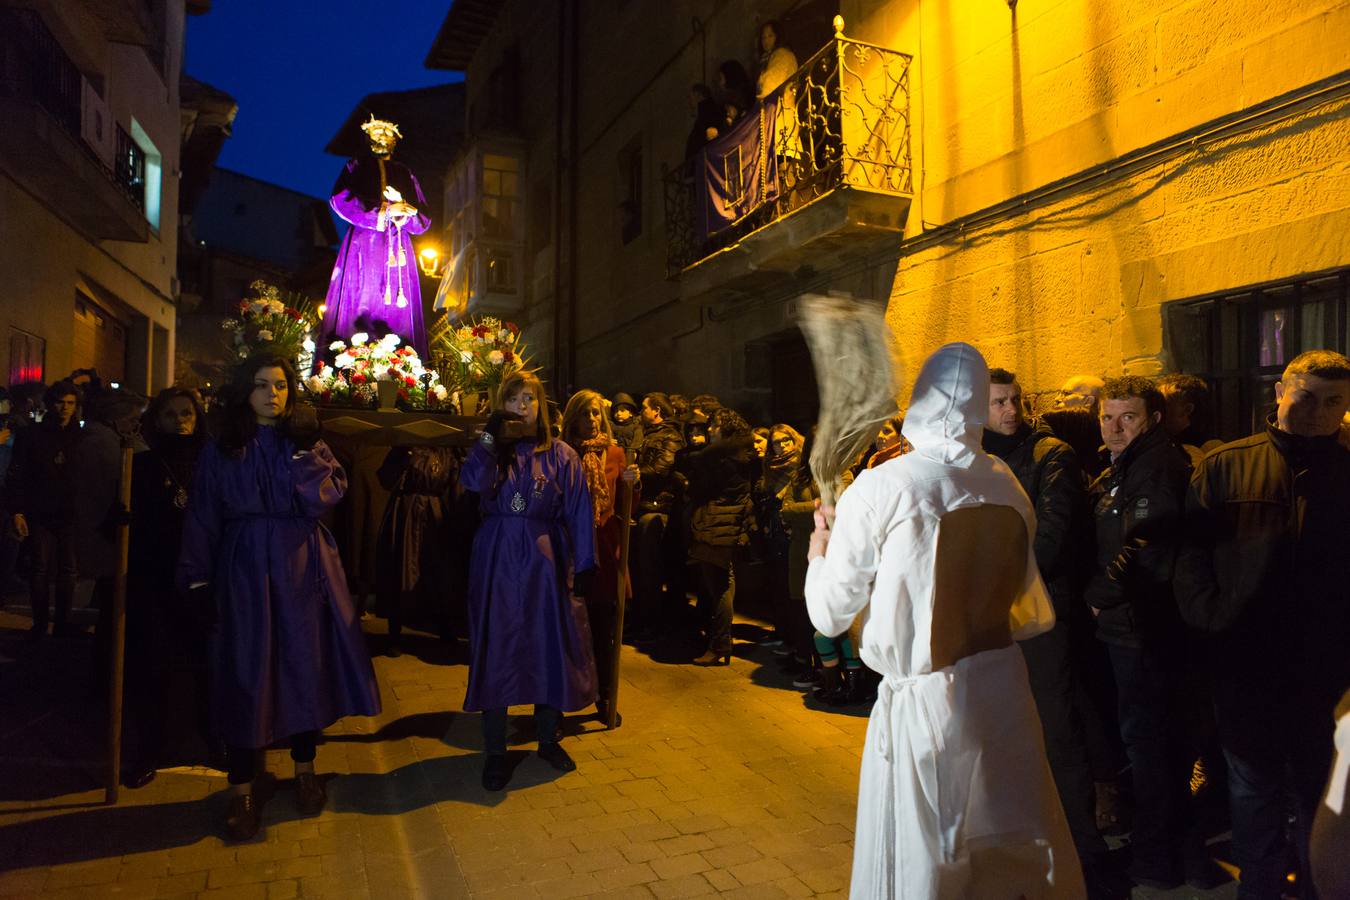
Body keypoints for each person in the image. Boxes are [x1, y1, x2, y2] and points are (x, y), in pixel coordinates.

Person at [805, 343, 1083, 898]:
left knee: (930, 861)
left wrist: (821, 550)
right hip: (1002, 691)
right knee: (1009, 852)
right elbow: (1025, 610)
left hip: (929, 703)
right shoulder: (1004, 480)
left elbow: (830, 614)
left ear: (920, 402)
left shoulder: (882, 486)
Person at [178, 352, 381, 841]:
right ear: (245, 392)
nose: (274, 394)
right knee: (246, 673)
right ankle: (242, 786)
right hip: (245, 568)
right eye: (263, 385)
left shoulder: (305, 442)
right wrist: (198, 579)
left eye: (282, 385)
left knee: (302, 667)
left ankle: (305, 770)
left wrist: (306, 451)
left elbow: (326, 495)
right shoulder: (223, 447)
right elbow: (204, 513)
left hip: (302, 565)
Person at [1176, 350, 1350, 899]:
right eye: (1305, 397)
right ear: (1280, 391)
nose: (1317, 413)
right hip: (1247, 671)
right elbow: (1189, 561)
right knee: (1253, 798)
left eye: (1334, 402)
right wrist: (1214, 628)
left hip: (1327, 675)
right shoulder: (1227, 466)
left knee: (1320, 798)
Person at [981, 368, 1111, 891]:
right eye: (998, 403)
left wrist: (1001, 589)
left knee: (1057, 726)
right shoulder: (973, 458)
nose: (1011, 410)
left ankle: (1084, 848)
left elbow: (1052, 533)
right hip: (988, 614)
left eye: (1015, 400)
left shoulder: (1048, 454)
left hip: (1040, 609)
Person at [459, 371, 598, 791]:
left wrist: (586, 563)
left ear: (541, 407)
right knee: (498, 646)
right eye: (514, 399)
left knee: (548, 645)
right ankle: (496, 748)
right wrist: (490, 441)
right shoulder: (492, 452)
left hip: (545, 561)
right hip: (498, 558)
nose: (522, 407)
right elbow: (471, 483)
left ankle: (547, 738)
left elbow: (577, 509)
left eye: (530, 399)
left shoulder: (561, 455)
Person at [1086, 376, 1198, 890]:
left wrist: (1099, 595)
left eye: (1127, 416)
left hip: (1143, 629)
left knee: (1150, 745)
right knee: (1152, 743)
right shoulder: (1129, 462)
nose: (1114, 427)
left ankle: (1156, 859)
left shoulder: (1155, 465)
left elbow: (1144, 546)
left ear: (1152, 418)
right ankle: (1166, 847)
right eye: (1107, 416)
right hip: (1133, 625)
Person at [123, 388, 211, 788]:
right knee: (152, 668)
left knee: (206, 666)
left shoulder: (212, 462)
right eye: (171, 413)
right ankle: (149, 750)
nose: (180, 420)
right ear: (157, 420)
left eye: (187, 413)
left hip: (202, 581)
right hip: (154, 581)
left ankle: (214, 739)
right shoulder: (139, 466)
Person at [319, 116, 431, 357]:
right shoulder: (357, 166)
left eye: (386, 134)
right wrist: (383, 211)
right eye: (376, 134)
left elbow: (424, 217)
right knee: (364, 294)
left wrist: (406, 211)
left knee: (398, 307)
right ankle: (355, 354)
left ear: (394, 141)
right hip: (364, 244)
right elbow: (340, 199)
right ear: (368, 139)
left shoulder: (405, 173)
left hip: (398, 246)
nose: (381, 138)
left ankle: (400, 359)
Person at [561, 390, 639, 719]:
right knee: (568, 630)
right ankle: (562, 700)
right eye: (585, 414)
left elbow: (625, 509)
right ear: (573, 418)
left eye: (596, 414)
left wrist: (633, 485)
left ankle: (605, 696)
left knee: (604, 627)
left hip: (605, 550)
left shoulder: (615, 453)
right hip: (568, 550)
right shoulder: (560, 454)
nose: (592, 420)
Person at [6, 381, 84, 639]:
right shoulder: (33, 435)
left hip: (70, 512)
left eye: (70, 403)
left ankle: (62, 622)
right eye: (61, 402)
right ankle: (40, 623)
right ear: (51, 404)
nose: (65, 408)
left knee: (67, 570)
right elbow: (17, 474)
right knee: (40, 567)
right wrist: (17, 510)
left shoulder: (80, 437)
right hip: (40, 510)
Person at [679, 407, 755, 665]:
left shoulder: (720, 459)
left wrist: (690, 484)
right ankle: (720, 641)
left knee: (718, 585)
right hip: (726, 524)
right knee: (723, 581)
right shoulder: (741, 456)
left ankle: (720, 643)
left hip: (717, 524)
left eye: (714, 426)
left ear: (726, 430)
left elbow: (700, 490)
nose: (709, 430)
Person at [374, 444, 460, 658]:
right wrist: (403, 459)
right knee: (401, 567)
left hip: (435, 513)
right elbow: (386, 478)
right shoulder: (404, 446)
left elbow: (456, 484)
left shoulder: (448, 448)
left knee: (439, 571)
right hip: (407, 513)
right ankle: (395, 632)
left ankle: (444, 627)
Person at [629, 393, 685, 643]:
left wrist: (636, 473)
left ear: (657, 411)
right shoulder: (651, 434)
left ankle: (652, 624)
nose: (641, 412)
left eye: (644, 408)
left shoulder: (670, 436)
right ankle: (645, 618)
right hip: (644, 506)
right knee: (642, 568)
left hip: (657, 508)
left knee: (650, 569)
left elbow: (663, 468)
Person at [755, 20, 800, 160]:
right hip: (779, 117)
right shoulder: (770, 58)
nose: (766, 41)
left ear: (778, 36)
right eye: (763, 37)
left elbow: (769, 85)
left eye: (770, 36)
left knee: (781, 162)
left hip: (780, 117)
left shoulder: (781, 55)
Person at [1156, 373, 1221, 466]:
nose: (1159, 409)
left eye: (1165, 404)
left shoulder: (1211, 449)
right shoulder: (1161, 442)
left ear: (1187, 409)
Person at [685, 83, 722, 161]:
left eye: (690, 98)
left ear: (698, 96)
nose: (689, 102)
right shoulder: (705, 116)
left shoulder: (707, 116)